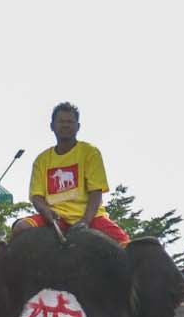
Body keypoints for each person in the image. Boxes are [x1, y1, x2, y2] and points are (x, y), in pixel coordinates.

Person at [21, 103, 129, 244]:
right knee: (21, 227)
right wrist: (46, 212)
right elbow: (36, 196)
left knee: (126, 244)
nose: (65, 125)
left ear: (78, 127)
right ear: (52, 126)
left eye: (70, 122)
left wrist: (85, 221)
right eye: (61, 122)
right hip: (55, 217)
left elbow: (96, 192)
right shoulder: (41, 160)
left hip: (90, 216)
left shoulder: (90, 152)